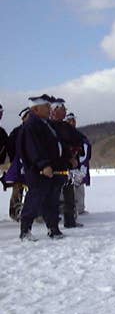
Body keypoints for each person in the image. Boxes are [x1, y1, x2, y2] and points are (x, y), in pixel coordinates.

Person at [17, 95, 77, 240]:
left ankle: (53, 229)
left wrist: (68, 158)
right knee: (34, 200)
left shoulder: (47, 124)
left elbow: (57, 144)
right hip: (39, 171)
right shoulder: (31, 126)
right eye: (47, 107)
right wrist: (43, 165)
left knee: (52, 201)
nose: (49, 109)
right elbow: (33, 149)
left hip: (53, 170)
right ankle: (25, 231)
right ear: (36, 109)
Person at [49, 98, 84, 228]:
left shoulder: (67, 127)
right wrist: (68, 154)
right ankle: (52, 223)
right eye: (63, 109)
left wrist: (76, 151)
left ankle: (69, 220)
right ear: (54, 111)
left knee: (69, 192)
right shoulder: (47, 126)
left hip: (67, 166)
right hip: (53, 166)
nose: (65, 112)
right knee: (53, 195)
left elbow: (80, 139)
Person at [2, 107, 30, 221]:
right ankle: (14, 213)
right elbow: (9, 147)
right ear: (23, 118)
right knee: (17, 188)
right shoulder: (16, 131)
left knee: (32, 188)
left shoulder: (35, 130)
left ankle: (30, 211)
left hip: (31, 165)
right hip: (18, 164)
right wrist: (14, 159)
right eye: (28, 116)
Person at [65, 112, 91, 216]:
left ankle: (80, 208)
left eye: (73, 120)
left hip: (79, 165)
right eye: (69, 120)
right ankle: (66, 210)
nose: (72, 122)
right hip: (67, 166)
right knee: (66, 189)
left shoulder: (79, 135)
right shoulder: (62, 133)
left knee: (79, 187)